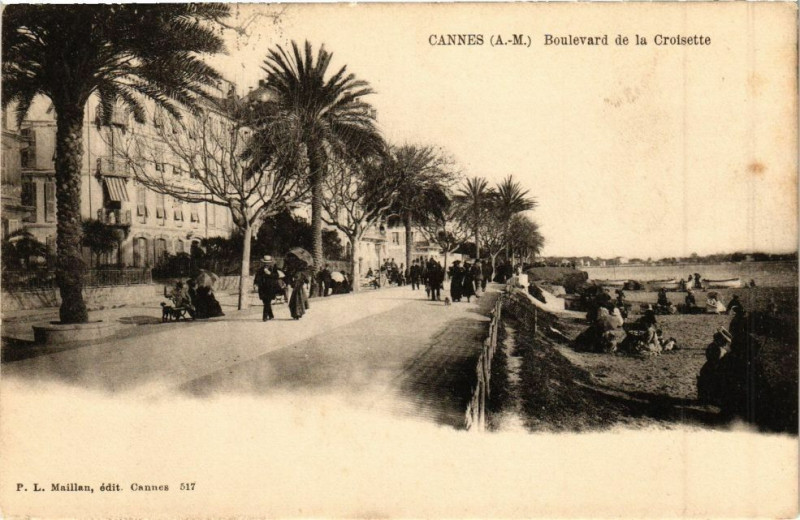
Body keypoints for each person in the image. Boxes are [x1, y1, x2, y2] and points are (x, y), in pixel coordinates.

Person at [254, 255, 280, 321]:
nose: (266, 263)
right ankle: (271, 315)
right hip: (262, 288)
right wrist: (255, 284)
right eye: (265, 262)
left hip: (270, 287)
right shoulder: (260, 269)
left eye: (268, 262)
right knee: (265, 302)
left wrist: (269, 273)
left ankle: (264, 317)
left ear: (270, 262)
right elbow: (257, 277)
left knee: (267, 302)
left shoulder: (273, 268)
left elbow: (276, 276)